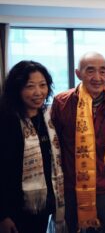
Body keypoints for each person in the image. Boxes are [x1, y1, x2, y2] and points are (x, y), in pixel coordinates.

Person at [51, 52, 105, 233]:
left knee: (104, 229)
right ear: (78, 73)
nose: (97, 77)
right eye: (90, 71)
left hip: (104, 184)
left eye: (103, 71)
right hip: (71, 185)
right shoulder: (61, 103)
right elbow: (53, 147)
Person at [0, 60, 65, 233]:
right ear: (17, 89)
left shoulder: (47, 117)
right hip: (14, 208)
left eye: (43, 85)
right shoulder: (7, 119)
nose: (38, 92)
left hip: (42, 205)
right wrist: (3, 215)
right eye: (30, 86)